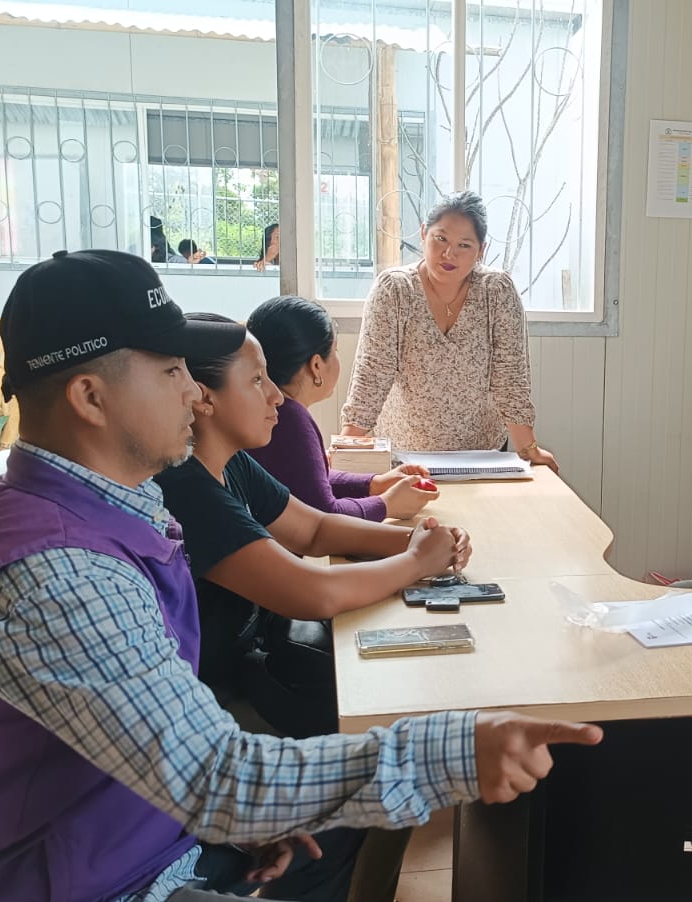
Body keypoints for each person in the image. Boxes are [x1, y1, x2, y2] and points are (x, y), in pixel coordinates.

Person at [0, 249, 603, 902]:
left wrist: (235, 822)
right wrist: (454, 750)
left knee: (348, 828)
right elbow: (216, 777)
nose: (193, 395)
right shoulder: (54, 574)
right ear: (90, 397)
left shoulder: (104, 509)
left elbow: (183, 760)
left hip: (144, 842)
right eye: (171, 372)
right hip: (98, 885)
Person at [154, 311, 461, 736]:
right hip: (220, 706)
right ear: (204, 398)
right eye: (256, 381)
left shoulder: (231, 462)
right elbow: (314, 593)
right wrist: (417, 562)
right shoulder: (186, 487)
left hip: (253, 659)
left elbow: (314, 529)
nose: (276, 396)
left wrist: (416, 539)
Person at [339, 191, 559, 471]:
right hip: (404, 454)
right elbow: (371, 375)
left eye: (464, 245)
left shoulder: (497, 291)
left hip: (482, 453)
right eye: (440, 238)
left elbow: (510, 378)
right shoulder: (394, 290)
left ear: (481, 250)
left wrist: (528, 449)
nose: (449, 254)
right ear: (423, 233)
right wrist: (345, 453)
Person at [246, 295, 437, 521]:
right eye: (335, 351)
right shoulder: (289, 419)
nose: (337, 359)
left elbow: (308, 482)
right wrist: (387, 505)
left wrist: (374, 484)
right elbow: (325, 517)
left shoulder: (266, 410)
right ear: (316, 365)